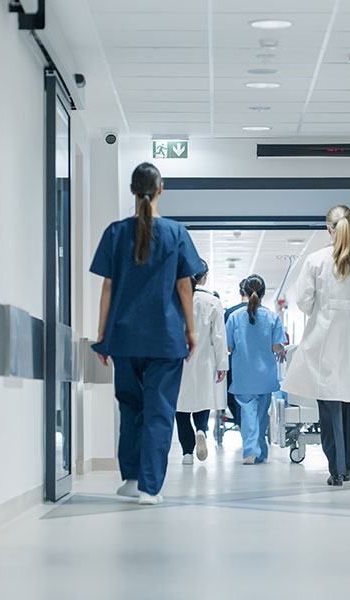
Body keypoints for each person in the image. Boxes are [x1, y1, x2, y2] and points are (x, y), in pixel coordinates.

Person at [91, 162, 202, 506]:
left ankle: (133, 478)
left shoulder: (115, 232)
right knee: (159, 411)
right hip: (165, 339)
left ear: (131, 190)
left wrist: (103, 335)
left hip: (124, 338)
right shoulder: (175, 233)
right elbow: (185, 287)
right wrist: (190, 330)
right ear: (161, 189)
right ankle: (150, 488)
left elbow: (108, 288)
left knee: (130, 408)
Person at [281, 205, 350, 486]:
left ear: (328, 229)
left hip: (324, 343)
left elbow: (304, 302)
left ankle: (337, 470)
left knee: (329, 409)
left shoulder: (315, 261)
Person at [225, 275, 285, 465]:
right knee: (261, 415)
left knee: (248, 413)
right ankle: (261, 452)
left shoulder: (234, 317)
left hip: (243, 375)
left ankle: (252, 450)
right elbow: (276, 347)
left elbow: (228, 347)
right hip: (265, 375)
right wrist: (282, 350)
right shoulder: (271, 316)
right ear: (264, 293)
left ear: (243, 292)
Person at [175, 260, 228, 465]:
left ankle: (187, 453)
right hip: (205, 361)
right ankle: (201, 430)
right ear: (204, 277)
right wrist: (223, 365)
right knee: (202, 401)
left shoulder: (174, 299)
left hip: (178, 362)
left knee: (180, 408)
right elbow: (219, 338)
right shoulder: (212, 302)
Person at [222, 282, 249, 431]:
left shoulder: (230, 313)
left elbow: (226, 342)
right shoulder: (265, 313)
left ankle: (239, 420)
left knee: (231, 394)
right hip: (257, 365)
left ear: (240, 291)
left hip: (235, 364)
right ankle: (247, 422)